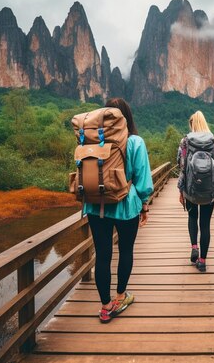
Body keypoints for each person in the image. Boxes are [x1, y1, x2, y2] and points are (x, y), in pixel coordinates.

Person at [83, 98, 153, 323]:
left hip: (96, 205)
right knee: (125, 250)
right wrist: (144, 204)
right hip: (126, 205)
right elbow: (143, 178)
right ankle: (121, 296)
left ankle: (105, 306)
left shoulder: (92, 141)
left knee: (102, 255)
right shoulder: (135, 142)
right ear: (128, 117)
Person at [177, 111, 214, 272]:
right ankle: (202, 261)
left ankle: (194, 247)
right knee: (205, 224)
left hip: (191, 188)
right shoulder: (213, 141)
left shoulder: (185, 141)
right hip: (209, 190)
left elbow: (182, 166)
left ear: (192, 124)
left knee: (192, 217)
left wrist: (181, 190)